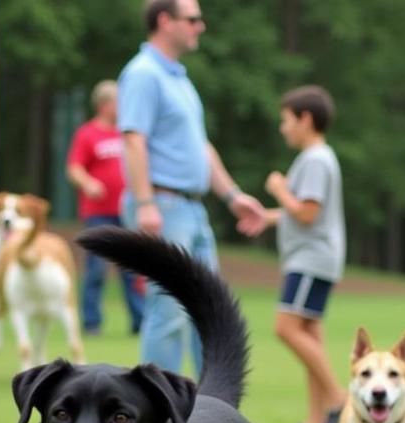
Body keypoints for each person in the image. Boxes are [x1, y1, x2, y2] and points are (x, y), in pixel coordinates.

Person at [118, 0, 266, 374]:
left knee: (210, 312)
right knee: (169, 312)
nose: (201, 26)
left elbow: (201, 148)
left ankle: (212, 411)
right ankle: (158, 418)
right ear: (165, 21)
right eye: (193, 19)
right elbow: (133, 140)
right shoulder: (143, 74)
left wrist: (233, 196)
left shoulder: (178, 78)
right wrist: (146, 204)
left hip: (191, 209)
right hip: (163, 205)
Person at [262, 85, 347, 423]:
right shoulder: (317, 158)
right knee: (310, 334)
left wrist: (279, 187)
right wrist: (266, 217)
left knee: (286, 328)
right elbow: (299, 214)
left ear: (305, 119)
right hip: (314, 257)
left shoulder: (315, 159)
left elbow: (307, 212)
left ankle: (341, 402)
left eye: (286, 120)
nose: (283, 128)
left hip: (311, 259)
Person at [66, 80, 144, 336]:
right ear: (103, 104)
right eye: (117, 102)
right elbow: (74, 167)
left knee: (133, 268)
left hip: (128, 211)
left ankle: (139, 321)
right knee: (96, 269)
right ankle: (91, 323)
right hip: (98, 212)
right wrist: (88, 183)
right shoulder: (87, 134)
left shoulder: (127, 132)